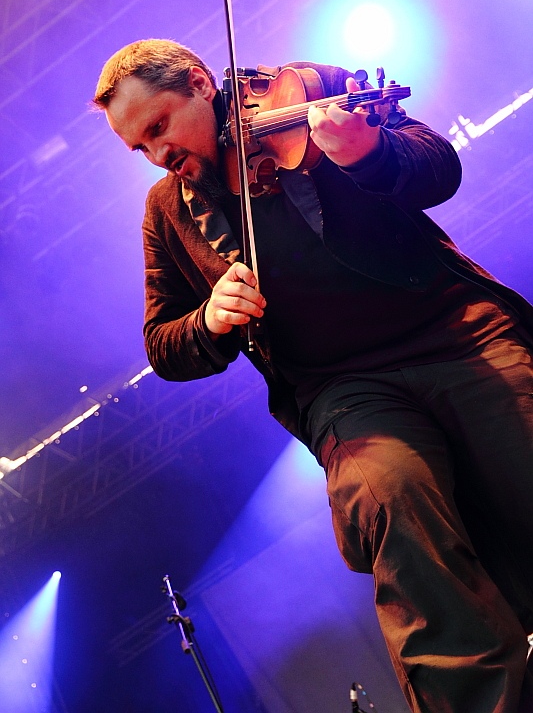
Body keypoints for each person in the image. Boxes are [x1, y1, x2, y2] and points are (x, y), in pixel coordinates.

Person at [93, 38, 533, 713]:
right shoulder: (167, 211)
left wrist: (370, 153)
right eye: (139, 148)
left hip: (454, 331)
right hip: (341, 389)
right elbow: (162, 343)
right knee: (383, 493)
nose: (156, 155)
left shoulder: (309, 87)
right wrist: (208, 320)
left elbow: (437, 166)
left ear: (200, 84)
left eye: (158, 128)